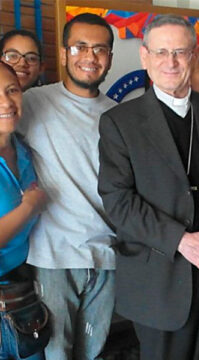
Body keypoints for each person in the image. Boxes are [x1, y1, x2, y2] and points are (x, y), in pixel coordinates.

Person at [98, 14, 199, 360]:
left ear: (195, 55)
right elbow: (118, 201)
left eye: (180, 52)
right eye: (160, 52)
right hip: (159, 280)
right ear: (145, 57)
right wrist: (182, 241)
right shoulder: (119, 122)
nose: (170, 62)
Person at [17, 13, 116, 360]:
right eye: (80, 46)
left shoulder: (121, 116)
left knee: (94, 353)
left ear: (110, 59)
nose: (90, 57)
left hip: (107, 257)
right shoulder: (30, 103)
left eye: (100, 49)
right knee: (57, 352)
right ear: (63, 54)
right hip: (52, 256)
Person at [0, 61, 47, 359]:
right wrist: (29, 207)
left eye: (11, 90)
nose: (5, 102)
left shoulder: (23, 148)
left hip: (20, 293)